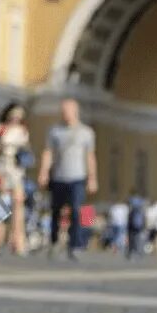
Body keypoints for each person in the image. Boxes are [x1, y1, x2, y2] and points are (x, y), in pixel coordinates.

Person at [37, 99, 97, 261]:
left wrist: (92, 178)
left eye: (68, 111)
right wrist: (43, 172)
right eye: (63, 111)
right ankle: (55, 241)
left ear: (75, 111)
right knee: (56, 210)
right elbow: (48, 152)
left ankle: (75, 245)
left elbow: (90, 156)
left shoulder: (86, 132)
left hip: (77, 177)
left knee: (76, 211)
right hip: (58, 177)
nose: (65, 114)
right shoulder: (55, 131)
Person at [0, 102, 30, 256]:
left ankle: (17, 241)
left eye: (19, 116)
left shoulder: (22, 131)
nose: (16, 118)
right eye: (14, 115)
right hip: (1, 167)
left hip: (15, 169)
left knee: (18, 203)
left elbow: (24, 149)